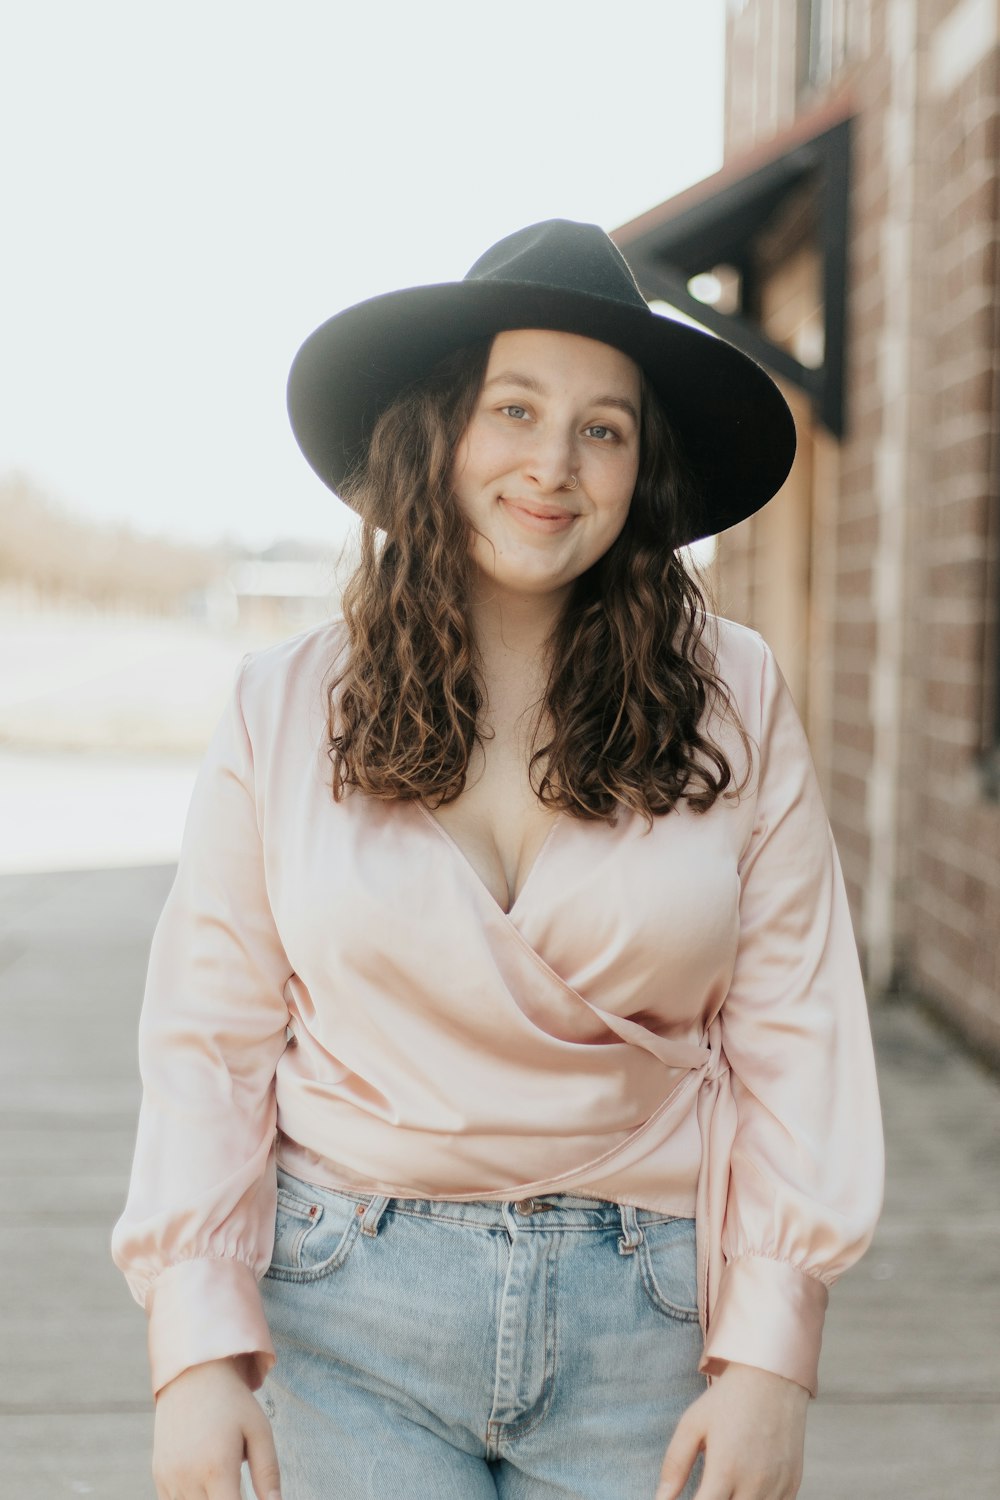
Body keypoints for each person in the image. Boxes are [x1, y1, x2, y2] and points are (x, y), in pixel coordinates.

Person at [112, 218, 884, 1500]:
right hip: (344, 1312)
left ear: (642, 469)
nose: (554, 464)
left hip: (648, 1320)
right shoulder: (284, 705)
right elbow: (209, 1035)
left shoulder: (733, 695)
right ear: (438, 435)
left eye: (603, 427)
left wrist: (770, 1354)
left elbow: (794, 1029)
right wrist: (195, 1349)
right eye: (512, 409)